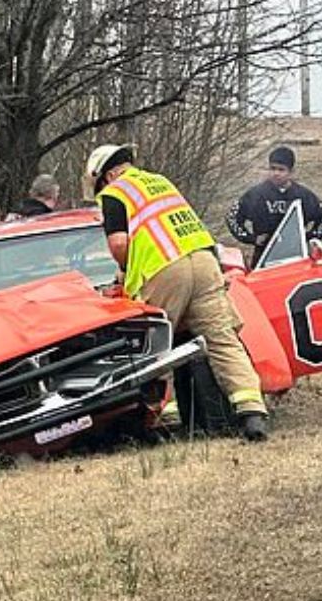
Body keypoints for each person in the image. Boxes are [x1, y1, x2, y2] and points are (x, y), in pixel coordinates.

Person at [83, 143, 268, 441]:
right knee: (222, 339)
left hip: (164, 270)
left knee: (156, 345)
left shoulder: (115, 193)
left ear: (108, 174)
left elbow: (119, 244)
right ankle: (252, 411)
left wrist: (127, 273)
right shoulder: (161, 183)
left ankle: (164, 420)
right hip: (204, 262)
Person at [225, 145, 322, 268]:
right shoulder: (256, 194)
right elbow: (232, 217)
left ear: (291, 172)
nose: (276, 173)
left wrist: (308, 237)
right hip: (263, 259)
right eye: (272, 169)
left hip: (295, 258)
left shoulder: (303, 195)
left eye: (281, 170)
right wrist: (252, 238)